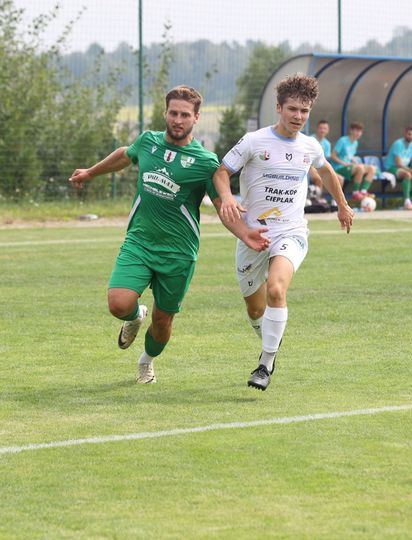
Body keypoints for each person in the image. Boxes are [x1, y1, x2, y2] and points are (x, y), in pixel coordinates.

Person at [69, 85, 269, 384]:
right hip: (139, 242)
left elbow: (221, 206)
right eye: (173, 113)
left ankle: (146, 361)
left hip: (178, 253)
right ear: (165, 113)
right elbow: (125, 155)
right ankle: (135, 316)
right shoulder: (147, 142)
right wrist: (90, 173)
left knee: (162, 321)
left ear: (196, 118)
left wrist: (245, 234)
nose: (178, 120)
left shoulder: (205, 161)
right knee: (118, 304)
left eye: (185, 115)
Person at [212, 74, 354, 391]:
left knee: (277, 289)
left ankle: (265, 363)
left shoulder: (310, 146)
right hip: (253, 236)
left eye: (304, 111)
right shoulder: (254, 141)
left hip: (291, 233)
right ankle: (270, 340)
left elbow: (327, 171)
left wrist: (343, 205)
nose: (298, 116)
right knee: (255, 309)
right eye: (292, 109)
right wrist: (227, 198)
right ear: (278, 108)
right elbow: (221, 172)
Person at [330, 122, 376, 201]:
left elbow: (349, 156)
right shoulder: (342, 140)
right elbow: (333, 156)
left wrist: (353, 161)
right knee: (360, 168)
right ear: (351, 131)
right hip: (339, 168)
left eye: (360, 131)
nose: (359, 133)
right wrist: (344, 163)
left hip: (349, 167)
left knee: (372, 168)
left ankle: (363, 191)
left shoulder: (355, 143)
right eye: (357, 131)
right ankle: (355, 193)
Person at [309, 119, 344, 207]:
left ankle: (335, 202)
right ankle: (318, 200)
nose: (322, 130)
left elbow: (325, 160)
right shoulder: (310, 140)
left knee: (340, 178)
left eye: (325, 128)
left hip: (320, 166)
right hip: (309, 166)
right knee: (318, 178)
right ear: (317, 129)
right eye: (320, 128)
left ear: (328, 130)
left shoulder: (327, 144)